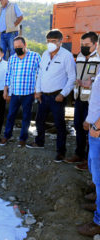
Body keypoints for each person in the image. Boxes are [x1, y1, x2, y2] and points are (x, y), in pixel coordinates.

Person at [26, 29, 76, 162]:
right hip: (44, 96)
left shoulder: (67, 56)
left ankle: (61, 152)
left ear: (60, 42)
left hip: (57, 97)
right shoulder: (45, 54)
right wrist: (38, 91)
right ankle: (39, 142)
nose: (50, 44)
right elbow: (40, 74)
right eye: (48, 41)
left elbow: (72, 78)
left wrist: (63, 94)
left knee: (59, 125)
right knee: (39, 120)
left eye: (53, 41)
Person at [65, 32, 100, 170]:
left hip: (91, 102)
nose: (84, 47)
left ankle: (88, 159)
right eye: (82, 45)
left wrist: (89, 82)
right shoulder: (79, 56)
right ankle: (79, 154)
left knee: (89, 129)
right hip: (79, 99)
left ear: (95, 44)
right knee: (78, 127)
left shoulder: (98, 58)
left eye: (87, 45)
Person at [0, 36, 41, 147]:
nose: (17, 48)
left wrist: (38, 90)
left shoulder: (35, 56)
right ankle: (7, 135)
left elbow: (40, 74)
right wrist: (5, 91)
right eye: (15, 47)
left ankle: (23, 138)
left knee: (26, 117)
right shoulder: (12, 59)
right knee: (10, 116)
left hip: (28, 93)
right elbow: (8, 75)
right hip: (15, 93)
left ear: (25, 45)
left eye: (19, 46)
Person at [77, 68, 100, 237]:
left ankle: (98, 222)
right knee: (94, 169)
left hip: (98, 131)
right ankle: (98, 202)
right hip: (94, 130)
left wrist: (97, 125)